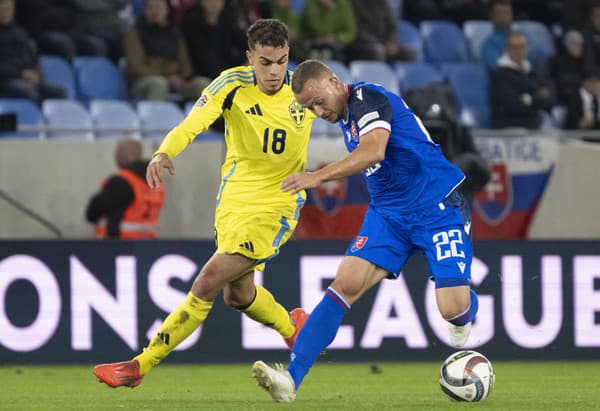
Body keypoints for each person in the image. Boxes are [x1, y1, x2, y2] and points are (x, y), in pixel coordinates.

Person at [93, 19, 315, 388]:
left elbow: (347, 117)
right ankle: (293, 327)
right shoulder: (231, 84)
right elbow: (193, 123)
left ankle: (138, 366)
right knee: (238, 294)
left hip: (279, 201)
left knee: (208, 280)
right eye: (265, 62)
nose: (274, 71)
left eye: (281, 61)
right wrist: (164, 151)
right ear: (250, 58)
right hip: (234, 201)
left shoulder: (303, 88)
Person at [251, 59, 479, 402]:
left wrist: (318, 176)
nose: (317, 111)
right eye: (308, 108)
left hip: (436, 207)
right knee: (344, 285)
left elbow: (374, 150)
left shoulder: (368, 99)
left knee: (452, 309)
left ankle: (465, 313)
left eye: (318, 101)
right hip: (389, 216)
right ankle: (290, 381)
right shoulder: (345, 116)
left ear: (333, 80)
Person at [124, 0, 207, 101]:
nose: (154, 11)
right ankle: (153, 116)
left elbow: (186, 64)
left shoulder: (175, 33)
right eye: (150, 7)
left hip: (176, 80)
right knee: (159, 83)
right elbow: (138, 68)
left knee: (202, 84)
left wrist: (182, 78)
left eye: (158, 7)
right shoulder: (134, 34)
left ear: (167, 9)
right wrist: (168, 77)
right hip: (143, 81)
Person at [85, 138, 165, 239]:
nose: (115, 157)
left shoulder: (120, 182)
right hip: (148, 245)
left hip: (120, 246)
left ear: (124, 154)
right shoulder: (156, 183)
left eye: (118, 152)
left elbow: (92, 213)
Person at [0, 0, 67, 103]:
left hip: (27, 78)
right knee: (30, 93)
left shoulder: (21, 32)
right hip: (7, 80)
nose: (6, 11)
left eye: (9, 8)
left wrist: (36, 73)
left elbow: (33, 57)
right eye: (3, 8)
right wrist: (21, 74)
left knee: (60, 93)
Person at [490, 31, 554, 129]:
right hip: (510, 127)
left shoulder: (532, 71)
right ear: (507, 49)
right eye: (514, 47)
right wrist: (536, 99)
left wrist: (527, 99)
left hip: (534, 124)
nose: (519, 51)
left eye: (522, 46)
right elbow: (512, 106)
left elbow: (549, 100)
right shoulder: (500, 74)